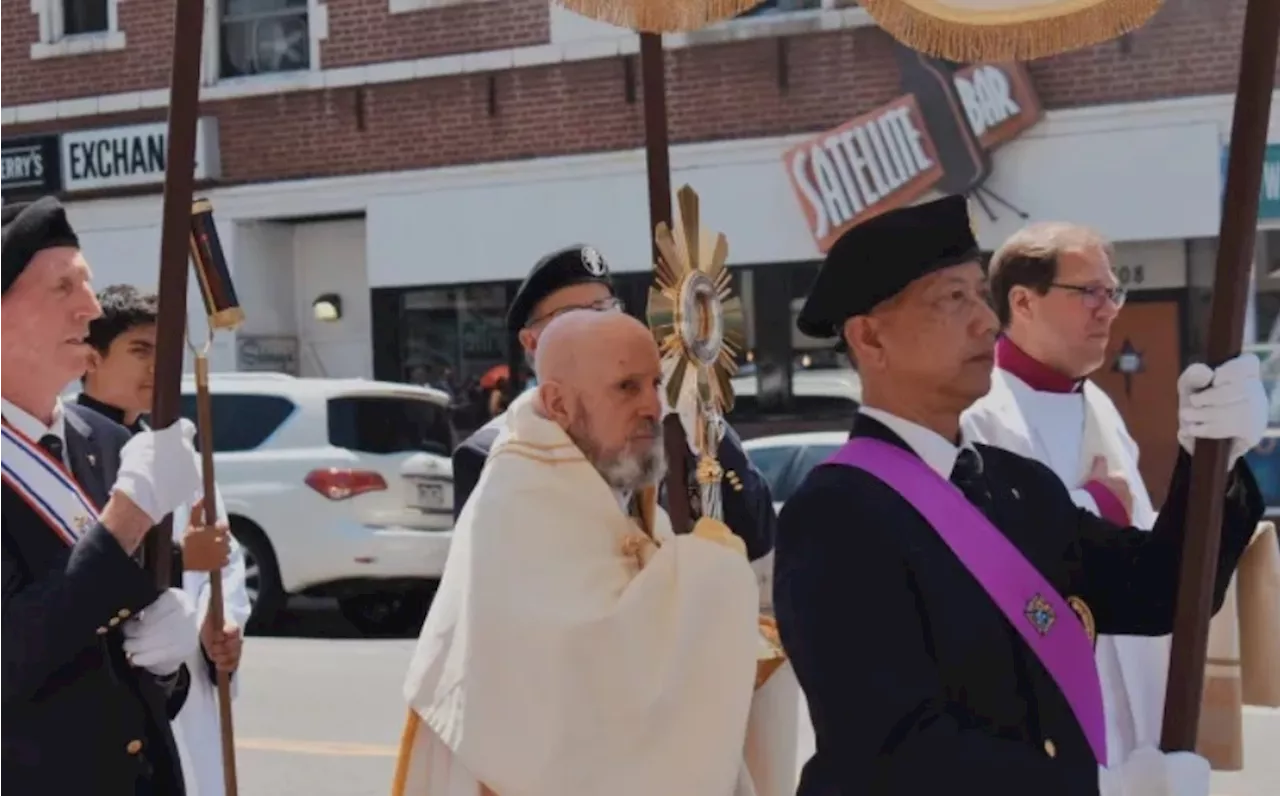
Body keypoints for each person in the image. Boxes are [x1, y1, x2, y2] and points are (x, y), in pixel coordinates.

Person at [773, 195, 1266, 796]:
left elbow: (1159, 588)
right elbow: (896, 751)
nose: (987, 320)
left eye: (981, 294)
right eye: (953, 299)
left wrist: (1216, 460)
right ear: (869, 338)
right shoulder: (835, 516)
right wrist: (1097, 789)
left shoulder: (1016, 485)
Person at [394, 310, 790, 796]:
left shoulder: (615, 492)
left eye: (654, 384)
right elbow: (585, 678)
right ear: (557, 403)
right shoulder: (517, 503)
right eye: (626, 387)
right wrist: (713, 574)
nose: (652, 406)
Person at [0, 196, 207, 794]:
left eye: (86, 286)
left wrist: (168, 669)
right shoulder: (129, 478)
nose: (89, 309)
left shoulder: (108, 443)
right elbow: (12, 655)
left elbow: (119, 679)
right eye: (62, 288)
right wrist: (129, 517)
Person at [960, 223, 1175, 775]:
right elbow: (983, 559)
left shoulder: (1099, 403)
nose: (1108, 311)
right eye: (1089, 293)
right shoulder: (978, 412)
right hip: (1041, 716)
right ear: (1023, 302)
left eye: (1114, 292)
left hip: (1135, 707)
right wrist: (1096, 506)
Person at [450, 244, 776, 566]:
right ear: (531, 343)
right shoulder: (494, 452)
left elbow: (755, 534)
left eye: (605, 312)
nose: (597, 329)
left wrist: (705, 427)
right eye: (573, 318)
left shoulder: (659, 421)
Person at [78, 283, 252, 796]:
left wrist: (222, 626)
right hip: (113, 693)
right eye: (139, 350)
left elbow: (222, 560)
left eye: (165, 352)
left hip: (186, 689)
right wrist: (176, 563)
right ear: (92, 355)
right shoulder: (70, 446)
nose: (157, 367)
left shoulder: (175, 450)